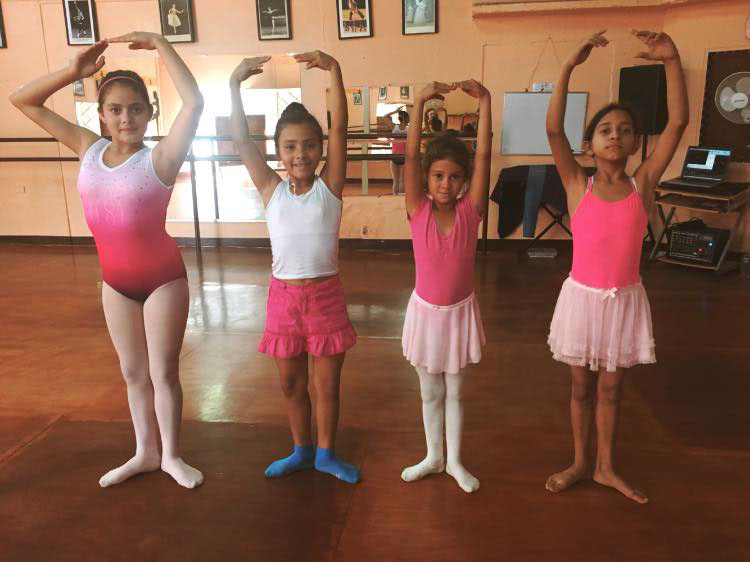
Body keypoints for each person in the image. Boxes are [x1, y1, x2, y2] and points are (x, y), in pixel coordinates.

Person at [9, 31, 205, 488]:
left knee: (162, 373)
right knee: (133, 374)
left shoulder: (161, 158)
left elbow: (195, 104)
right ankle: (145, 452)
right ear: (100, 115)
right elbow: (22, 100)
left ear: (150, 113)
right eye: (115, 109)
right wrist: (72, 72)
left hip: (162, 280)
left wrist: (160, 44)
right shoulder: (88, 149)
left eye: (135, 109)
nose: (125, 118)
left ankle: (173, 456)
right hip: (115, 283)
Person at [545, 30, 688, 504]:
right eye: (605, 129)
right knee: (580, 389)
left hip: (623, 301)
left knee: (611, 392)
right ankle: (580, 462)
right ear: (589, 145)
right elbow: (553, 130)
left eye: (624, 130)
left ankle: (605, 466)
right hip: (582, 300)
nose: (615, 135)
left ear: (634, 143)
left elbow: (678, 124)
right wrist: (568, 66)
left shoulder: (642, 184)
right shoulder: (576, 184)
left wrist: (672, 61)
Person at [229, 52, 360, 483]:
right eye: (289, 147)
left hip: (325, 297)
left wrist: (335, 70)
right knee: (290, 384)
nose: (300, 154)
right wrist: (233, 86)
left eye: (308, 145)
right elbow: (242, 142)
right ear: (278, 152)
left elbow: (340, 127)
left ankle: (326, 454)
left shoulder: (330, 187)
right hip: (283, 300)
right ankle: (301, 449)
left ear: (320, 149)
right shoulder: (271, 189)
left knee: (327, 386)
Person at [400, 79, 492, 493]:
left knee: (455, 392)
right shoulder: (416, 209)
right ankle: (433, 456)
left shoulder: (471, 212)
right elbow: (411, 156)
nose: (445, 184)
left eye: (455, 177)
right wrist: (419, 102)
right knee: (429, 393)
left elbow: (484, 154)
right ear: (426, 177)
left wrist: (486, 102)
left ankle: (454, 460)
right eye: (437, 175)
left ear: (465, 181)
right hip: (425, 315)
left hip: (458, 314)